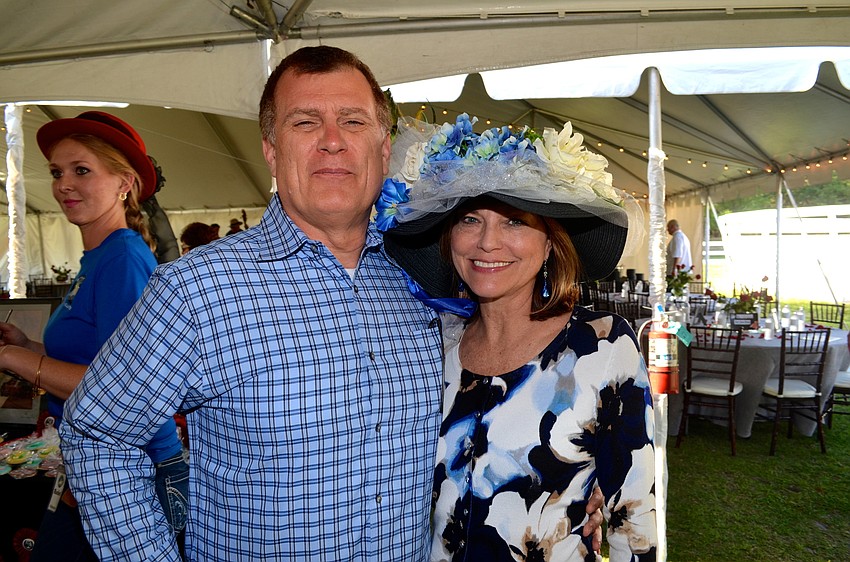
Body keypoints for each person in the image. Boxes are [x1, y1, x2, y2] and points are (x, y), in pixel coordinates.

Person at [58, 47, 603, 561]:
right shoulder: (198, 290)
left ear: (384, 146)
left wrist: (571, 481)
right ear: (271, 150)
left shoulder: (427, 279)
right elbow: (96, 434)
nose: (332, 141)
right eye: (304, 122)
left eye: (354, 121)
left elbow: (486, 408)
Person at [379, 114, 657, 560]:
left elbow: (634, 521)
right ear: (448, 238)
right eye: (469, 219)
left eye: (514, 222)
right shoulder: (433, 348)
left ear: (550, 243)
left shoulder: (603, 346)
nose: (488, 242)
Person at [0, 112, 189, 560]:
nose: (64, 184)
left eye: (81, 170)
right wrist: (28, 346)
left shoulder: (121, 259)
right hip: (90, 467)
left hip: (131, 474)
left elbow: (123, 389)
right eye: (56, 172)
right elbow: (100, 356)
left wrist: (14, 358)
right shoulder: (99, 258)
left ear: (124, 182)